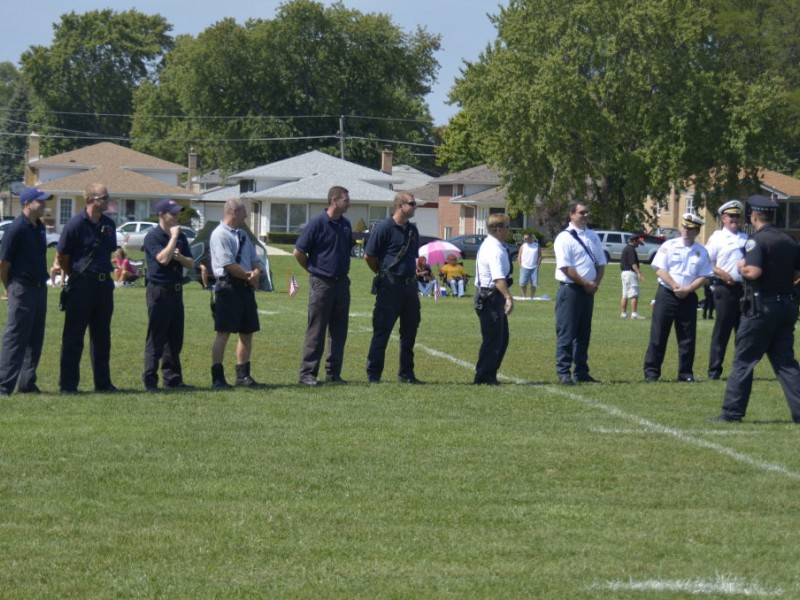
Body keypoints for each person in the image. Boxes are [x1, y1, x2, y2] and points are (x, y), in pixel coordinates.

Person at [709, 195, 800, 423]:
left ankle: (732, 412)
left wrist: (742, 267)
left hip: (761, 310)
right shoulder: (789, 240)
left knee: (744, 361)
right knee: (786, 363)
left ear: (755, 215)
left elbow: (754, 273)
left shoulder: (755, 241)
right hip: (786, 306)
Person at [57, 183, 118, 394]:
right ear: (91, 200)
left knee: (102, 336)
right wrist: (77, 275)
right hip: (82, 284)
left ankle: (103, 383)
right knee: (74, 336)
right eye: (104, 197)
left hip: (104, 284)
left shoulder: (109, 225)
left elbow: (109, 251)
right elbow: (62, 257)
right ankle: (68, 385)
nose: (108, 201)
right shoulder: (74, 225)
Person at [293, 186, 353, 386]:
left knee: (339, 331)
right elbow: (299, 251)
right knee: (316, 329)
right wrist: (312, 270)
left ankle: (333, 373)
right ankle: (307, 374)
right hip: (322, 283)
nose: (349, 202)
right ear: (334, 201)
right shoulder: (317, 223)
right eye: (346, 199)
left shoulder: (345, 225)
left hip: (341, 283)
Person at [643, 213, 713, 382]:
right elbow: (659, 268)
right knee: (658, 335)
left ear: (697, 231)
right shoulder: (669, 245)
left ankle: (685, 373)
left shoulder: (701, 251)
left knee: (687, 337)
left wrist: (688, 289)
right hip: (667, 293)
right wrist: (675, 285)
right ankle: (652, 373)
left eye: (690, 228)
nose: (686, 231)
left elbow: (705, 276)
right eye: (684, 227)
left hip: (688, 296)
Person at [365, 191, 423, 384]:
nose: (415, 207)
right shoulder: (384, 228)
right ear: (400, 205)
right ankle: (374, 374)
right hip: (390, 286)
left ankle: (406, 374)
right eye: (412, 203)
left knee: (410, 331)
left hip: (409, 286)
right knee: (382, 330)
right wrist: (383, 274)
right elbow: (370, 256)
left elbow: (412, 257)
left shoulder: (412, 231)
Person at [0, 187, 52, 396]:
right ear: (27, 203)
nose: (44, 205)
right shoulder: (16, 228)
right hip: (21, 287)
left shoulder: (38, 227)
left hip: (39, 288)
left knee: (35, 337)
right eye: (40, 201)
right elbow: (3, 263)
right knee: (15, 337)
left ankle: (27, 383)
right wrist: (9, 287)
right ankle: (3, 386)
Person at [209, 198, 265, 388]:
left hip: (245, 288)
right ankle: (217, 377)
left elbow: (255, 260)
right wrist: (249, 276)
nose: (246, 216)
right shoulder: (220, 235)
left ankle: (243, 375)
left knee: (247, 332)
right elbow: (229, 265)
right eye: (243, 212)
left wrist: (256, 272)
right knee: (223, 333)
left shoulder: (243, 235)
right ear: (233, 211)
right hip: (228, 287)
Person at [141, 198, 195, 392]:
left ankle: (172, 379)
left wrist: (180, 257)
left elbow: (191, 263)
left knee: (175, 337)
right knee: (156, 337)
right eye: (173, 213)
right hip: (159, 291)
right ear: (162, 215)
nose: (177, 217)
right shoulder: (153, 237)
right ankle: (150, 379)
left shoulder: (180, 237)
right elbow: (162, 259)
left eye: (178, 213)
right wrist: (172, 239)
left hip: (176, 291)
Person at [553, 201, 606, 384]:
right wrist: (586, 283)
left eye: (587, 213)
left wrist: (595, 284)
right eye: (581, 213)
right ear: (571, 214)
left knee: (584, 334)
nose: (585, 216)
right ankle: (564, 372)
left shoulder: (593, 236)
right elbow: (566, 267)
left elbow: (601, 263)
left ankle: (582, 372)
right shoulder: (564, 238)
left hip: (588, 291)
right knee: (567, 333)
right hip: (571, 290)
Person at [705, 200, 747, 380]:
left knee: (743, 332)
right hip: (725, 289)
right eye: (731, 216)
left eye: (737, 216)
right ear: (723, 218)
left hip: (744, 289)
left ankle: (741, 370)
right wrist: (723, 274)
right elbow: (707, 261)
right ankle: (714, 371)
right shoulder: (717, 237)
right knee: (722, 331)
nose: (735, 219)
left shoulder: (746, 238)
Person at [473, 213, 514, 385]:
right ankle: (484, 377)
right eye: (506, 226)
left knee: (501, 338)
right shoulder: (494, 249)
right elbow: (498, 278)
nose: (508, 230)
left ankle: (489, 374)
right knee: (493, 339)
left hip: (490, 296)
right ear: (496, 228)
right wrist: (508, 297)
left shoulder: (496, 246)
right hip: (490, 297)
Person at [620, 234, 645, 319]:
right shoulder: (631, 250)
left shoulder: (626, 249)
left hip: (624, 273)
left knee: (625, 294)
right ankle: (634, 314)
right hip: (630, 273)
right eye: (638, 242)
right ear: (634, 241)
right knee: (634, 294)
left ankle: (623, 314)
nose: (639, 244)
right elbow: (633, 263)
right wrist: (639, 273)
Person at [518, 233, 542, 298]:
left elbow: (540, 256)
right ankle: (524, 297)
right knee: (523, 284)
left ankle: (532, 297)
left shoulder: (537, 246)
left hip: (534, 268)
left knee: (534, 284)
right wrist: (520, 266)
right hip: (524, 267)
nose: (525, 239)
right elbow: (519, 256)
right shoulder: (523, 246)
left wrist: (537, 265)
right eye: (524, 238)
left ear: (531, 238)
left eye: (526, 238)